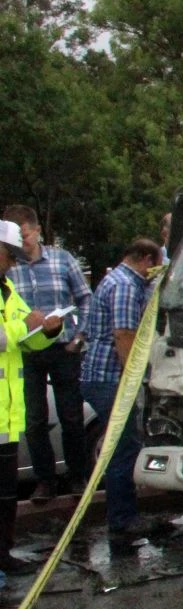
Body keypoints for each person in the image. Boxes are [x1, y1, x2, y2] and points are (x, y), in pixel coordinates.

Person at [3, 206, 93, 501]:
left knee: (71, 416)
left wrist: (80, 337)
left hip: (64, 347)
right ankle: (45, 481)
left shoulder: (61, 259)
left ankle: (77, 477)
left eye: (24, 236)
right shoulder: (8, 268)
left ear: (37, 229)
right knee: (35, 419)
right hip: (26, 353)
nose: (21, 244)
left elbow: (84, 299)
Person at [80, 238, 162, 545]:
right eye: (152, 266)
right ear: (142, 258)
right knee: (123, 447)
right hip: (111, 378)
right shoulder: (126, 286)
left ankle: (123, 516)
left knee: (122, 445)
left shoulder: (115, 280)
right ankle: (123, 519)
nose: (153, 273)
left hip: (101, 376)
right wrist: (135, 377)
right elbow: (124, 334)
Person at [0, 220, 66, 574]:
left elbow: (28, 338)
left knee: (7, 496)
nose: (11, 262)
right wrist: (23, 327)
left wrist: (49, 330)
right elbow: (12, 333)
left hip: (7, 417)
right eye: (8, 255)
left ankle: (4, 554)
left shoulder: (8, 289)